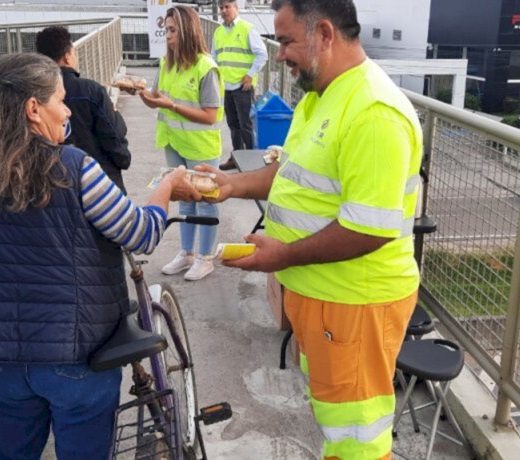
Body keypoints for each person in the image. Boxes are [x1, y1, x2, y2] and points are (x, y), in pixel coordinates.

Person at [195, 0, 422, 458]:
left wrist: (281, 256)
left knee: (358, 438)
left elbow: (369, 231)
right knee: (334, 420)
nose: (279, 55)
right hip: (322, 297)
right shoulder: (322, 94)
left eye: (285, 41)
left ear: (323, 34)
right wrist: (231, 185)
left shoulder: (374, 112)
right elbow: (289, 171)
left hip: (355, 304)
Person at [0, 52, 198, 460]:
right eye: (59, 101)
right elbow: (141, 232)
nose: (66, 111)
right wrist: (167, 187)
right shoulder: (76, 168)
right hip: (75, 355)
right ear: (33, 108)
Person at [135, 5, 224, 281]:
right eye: (166, 30)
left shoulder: (206, 68)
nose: (168, 36)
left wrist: (171, 104)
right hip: (173, 142)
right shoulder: (166, 63)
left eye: (172, 30)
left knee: (206, 202)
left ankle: (205, 257)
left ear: (186, 31)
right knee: (184, 200)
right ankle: (186, 253)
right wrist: (139, 93)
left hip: (201, 148)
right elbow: (156, 99)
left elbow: (210, 115)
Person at [35, 25, 133, 191]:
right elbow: (113, 135)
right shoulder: (91, 91)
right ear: (67, 57)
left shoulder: (33, 94)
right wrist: (123, 158)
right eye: (74, 52)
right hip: (99, 181)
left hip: (53, 183)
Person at [213, 0, 269, 170]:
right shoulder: (218, 32)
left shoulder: (246, 28)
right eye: (221, 8)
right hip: (226, 87)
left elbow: (262, 54)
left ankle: (252, 162)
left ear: (235, 8)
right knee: (233, 125)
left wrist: (250, 75)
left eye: (227, 7)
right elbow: (214, 58)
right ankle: (236, 157)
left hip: (242, 87)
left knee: (246, 126)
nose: (223, 10)